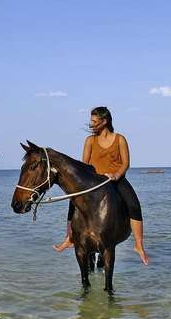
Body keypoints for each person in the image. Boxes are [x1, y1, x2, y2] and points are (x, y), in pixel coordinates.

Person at [53, 107, 149, 265]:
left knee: (134, 204)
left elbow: (126, 163)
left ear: (105, 121)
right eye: (91, 121)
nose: (91, 124)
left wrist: (116, 175)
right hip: (93, 180)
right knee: (73, 203)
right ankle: (69, 239)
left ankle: (139, 245)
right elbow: (84, 165)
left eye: (95, 121)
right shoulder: (90, 140)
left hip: (115, 179)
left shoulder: (120, 139)